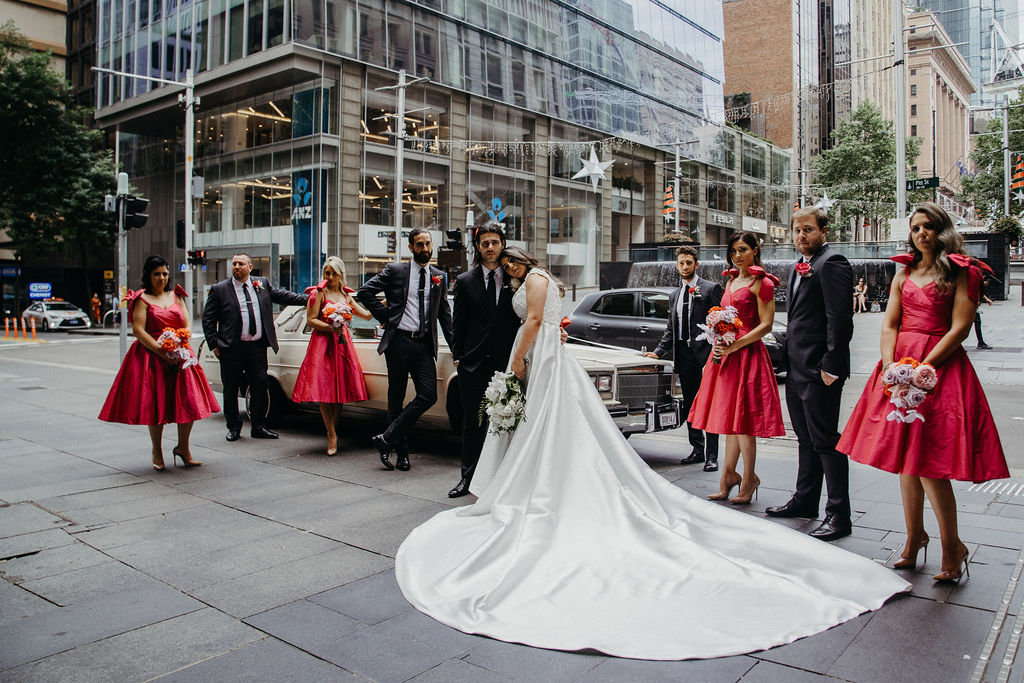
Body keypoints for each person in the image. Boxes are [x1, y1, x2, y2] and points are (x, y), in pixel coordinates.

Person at [394, 246, 909, 661]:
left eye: (506, 261)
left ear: (518, 262)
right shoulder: (547, 282)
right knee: (559, 428)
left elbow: (531, 325)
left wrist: (517, 361)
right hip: (558, 358)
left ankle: (551, 488)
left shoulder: (530, 283)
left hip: (544, 357)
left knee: (554, 429)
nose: (502, 267)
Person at [837, 203, 1008, 582]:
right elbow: (890, 324)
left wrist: (922, 368)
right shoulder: (904, 273)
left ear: (942, 230)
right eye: (915, 228)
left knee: (930, 463)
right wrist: (889, 367)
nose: (921, 233)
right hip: (899, 370)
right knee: (905, 460)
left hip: (939, 368)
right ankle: (914, 539)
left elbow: (960, 328)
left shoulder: (961, 272)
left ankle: (952, 546)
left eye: (929, 226)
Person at [766, 208, 855, 542]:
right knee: (805, 439)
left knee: (826, 442)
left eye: (808, 230)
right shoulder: (797, 267)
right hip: (796, 368)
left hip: (820, 371)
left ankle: (839, 514)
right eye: (796, 230)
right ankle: (805, 501)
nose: (801, 236)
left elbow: (840, 319)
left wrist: (831, 366)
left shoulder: (831, 263)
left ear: (823, 230)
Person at [687, 233, 784, 502]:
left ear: (755, 250)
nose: (737, 255)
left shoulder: (762, 283)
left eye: (743, 250)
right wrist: (718, 340)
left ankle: (749, 478)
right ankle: (728, 475)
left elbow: (766, 325)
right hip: (726, 354)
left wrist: (735, 344)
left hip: (748, 354)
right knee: (730, 419)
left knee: (744, 421)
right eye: (733, 251)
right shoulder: (731, 281)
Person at [99, 256, 219, 470]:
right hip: (152, 357)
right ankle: (157, 450)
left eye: (165, 273)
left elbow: (187, 322)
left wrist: (183, 340)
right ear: (148, 275)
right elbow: (138, 330)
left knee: (188, 402)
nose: (162, 278)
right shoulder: (142, 299)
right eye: (157, 274)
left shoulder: (176, 295)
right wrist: (161, 351)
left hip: (181, 355)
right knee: (157, 404)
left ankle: (183, 447)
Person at [357, 227, 454, 472]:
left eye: (428, 244)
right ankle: (401, 454)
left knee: (428, 395)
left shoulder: (439, 276)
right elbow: (365, 292)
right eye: (420, 245)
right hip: (398, 342)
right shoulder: (396, 271)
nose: (425, 249)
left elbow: (444, 315)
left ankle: (386, 438)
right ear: (410, 247)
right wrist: (387, 318)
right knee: (396, 397)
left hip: (423, 345)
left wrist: (457, 350)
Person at [202, 253, 307, 442]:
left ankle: (258, 426)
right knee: (231, 388)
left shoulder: (262, 284)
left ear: (250, 267)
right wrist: (214, 344)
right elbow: (208, 319)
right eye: (234, 264)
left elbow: (282, 295)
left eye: (241, 264)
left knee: (260, 384)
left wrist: (308, 299)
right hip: (231, 348)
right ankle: (233, 427)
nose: (236, 267)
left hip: (257, 347)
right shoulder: (220, 290)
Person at [448, 224, 520, 497]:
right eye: (485, 243)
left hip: (507, 362)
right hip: (473, 365)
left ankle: (504, 481)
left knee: (508, 423)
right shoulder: (465, 281)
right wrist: (459, 359)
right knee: (472, 424)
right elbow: (459, 323)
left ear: (502, 244)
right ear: (477, 247)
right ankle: (467, 479)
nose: (490, 247)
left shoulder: (516, 279)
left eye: (494, 242)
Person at [645, 246, 723, 471]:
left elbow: (720, 324)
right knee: (691, 404)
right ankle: (697, 449)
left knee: (708, 404)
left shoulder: (710, 289)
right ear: (677, 265)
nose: (686, 266)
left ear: (696, 264)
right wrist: (658, 352)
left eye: (689, 262)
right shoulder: (674, 295)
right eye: (682, 263)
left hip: (707, 355)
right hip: (684, 355)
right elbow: (671, 328)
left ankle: (712, 456)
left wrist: (717, 352)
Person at [291, 257, 373, 456]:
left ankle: (333, 428)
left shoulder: (346, 295)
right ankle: (331, 434)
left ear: (341, 275)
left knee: (339, 390)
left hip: (342, 344)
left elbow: (367, 315)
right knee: (325, 391)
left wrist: (388, 301)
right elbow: (311, 320)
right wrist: (330, 327)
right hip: (323, 344)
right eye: (326, 273)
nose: (329, 277)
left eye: (333, 273)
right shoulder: (319, 293)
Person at [974, 275, 994, 349]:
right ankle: (980, 342)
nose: (986, 284)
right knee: (967, 326)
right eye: (986, 283)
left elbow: (980, 293)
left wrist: (987, 299)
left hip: (974, 308)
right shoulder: (974, 283)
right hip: (971, 308)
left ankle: (980, 342)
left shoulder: (977, 285)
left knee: (977, 323)